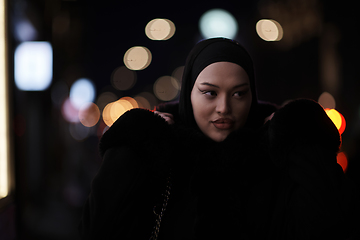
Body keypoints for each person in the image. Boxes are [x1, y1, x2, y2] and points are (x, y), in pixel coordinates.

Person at [79, 38, 359, 239]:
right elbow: (98, 226)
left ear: (253, 95)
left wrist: (297, 137)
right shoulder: (158, 152)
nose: (224, 108)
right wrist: (137, 143)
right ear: (188, 94)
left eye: (239, 93)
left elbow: (330, 222)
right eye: (210, 92)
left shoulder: (276, 156)